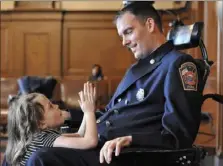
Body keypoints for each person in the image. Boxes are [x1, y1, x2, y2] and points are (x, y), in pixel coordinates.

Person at [26, 2, 204, 166]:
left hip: (128, 154)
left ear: (150, 25)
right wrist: (67, 116)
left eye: (128, 31)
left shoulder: (179, 65)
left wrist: (131, 139)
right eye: (122, 35)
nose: (124, 42)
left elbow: (179, 135)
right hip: (102, 146)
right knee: (24, 150)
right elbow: (108, 113)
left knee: (40, 158)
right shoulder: (136, 69)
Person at [4, 82, 97, 166]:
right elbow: (90, 142)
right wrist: (90, 112)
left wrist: (86, 112)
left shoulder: (36, 137)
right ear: (41, 123)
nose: (56, 106)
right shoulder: (44, 139)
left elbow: (79, 136)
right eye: (51, 107)